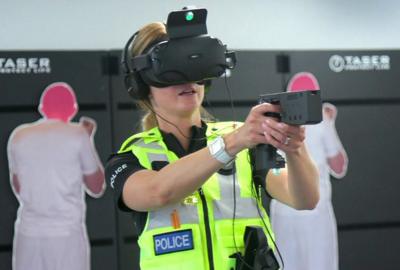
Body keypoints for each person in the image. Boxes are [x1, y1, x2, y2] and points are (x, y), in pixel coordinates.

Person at [105, 21, 319, 270]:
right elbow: (157, 192)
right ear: (143, 84)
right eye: (170, 71)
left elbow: (305, 199)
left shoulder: (243, 141)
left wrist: (295, 149)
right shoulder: (130, 158)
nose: (187, 81)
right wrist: (233, 143)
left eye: (195, 68)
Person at [7, 82, 106, 270]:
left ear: (41, 108)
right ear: (73, 109)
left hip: (28, 235)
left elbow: (18, 186)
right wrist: (88, 138)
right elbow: (96, 187)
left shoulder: (18, 135)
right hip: (66, 236)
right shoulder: (78, 134)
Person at [270, 72, 348, 270]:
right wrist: (329, 123)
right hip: (305, 210)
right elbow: (339, 168)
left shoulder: (274, 120)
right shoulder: (319, 120)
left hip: (292, 209)